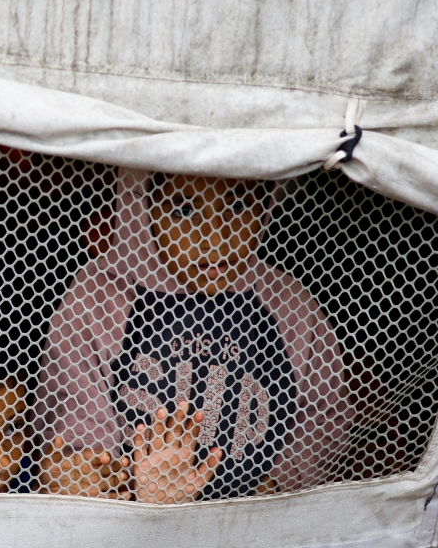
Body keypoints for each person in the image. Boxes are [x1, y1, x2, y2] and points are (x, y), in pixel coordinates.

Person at [32, 170, 350, 502]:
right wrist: (102, 477)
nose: (215, 239)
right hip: (134, 524)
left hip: (253, 529)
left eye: (239, 205)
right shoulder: (98, 298)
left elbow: (323, 415)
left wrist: (272, 488)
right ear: (142, 208)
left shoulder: (287, 302)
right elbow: (76, 415)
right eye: (183, 210)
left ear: (266, 202)